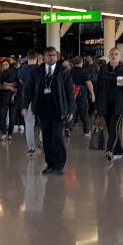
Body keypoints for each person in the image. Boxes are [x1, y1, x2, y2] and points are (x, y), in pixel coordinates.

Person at [31, 47, 72, 175]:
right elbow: (29, 89)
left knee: (57, 137)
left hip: (58, 110)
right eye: (49, 55)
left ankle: (59, 165)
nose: (51, 57)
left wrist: (71, 110)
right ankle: (50, 164)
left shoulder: (63, 71)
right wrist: (25, 106)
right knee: (47, 139)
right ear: (43, 57)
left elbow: (70, 92)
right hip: (43, 110)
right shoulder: (38, 71)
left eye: (54, 55)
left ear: (57, 57)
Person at [94, 47, 123, 161]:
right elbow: (99, 87)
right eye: (112, 54)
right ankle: (118, 150)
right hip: (105, 103)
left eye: (116, 54)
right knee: (111, 129)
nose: (114, 56)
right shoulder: (104, 70)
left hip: (119, 104)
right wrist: (97, 105)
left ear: (119, 56)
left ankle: (109, 150)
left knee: (114, 127)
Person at [0, 58, 20, 140]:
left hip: (13, 97)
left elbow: (16, 84)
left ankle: (10, 134)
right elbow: (0, 85)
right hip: (3, 97)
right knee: (3, 115)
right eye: (3, 65)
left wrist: (7, 85)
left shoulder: (15, 72)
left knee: (12, 116)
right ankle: (3, 133)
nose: (5, 66)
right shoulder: (0, 74)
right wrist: (10, 85)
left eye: (6, 64)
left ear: (9, 65)